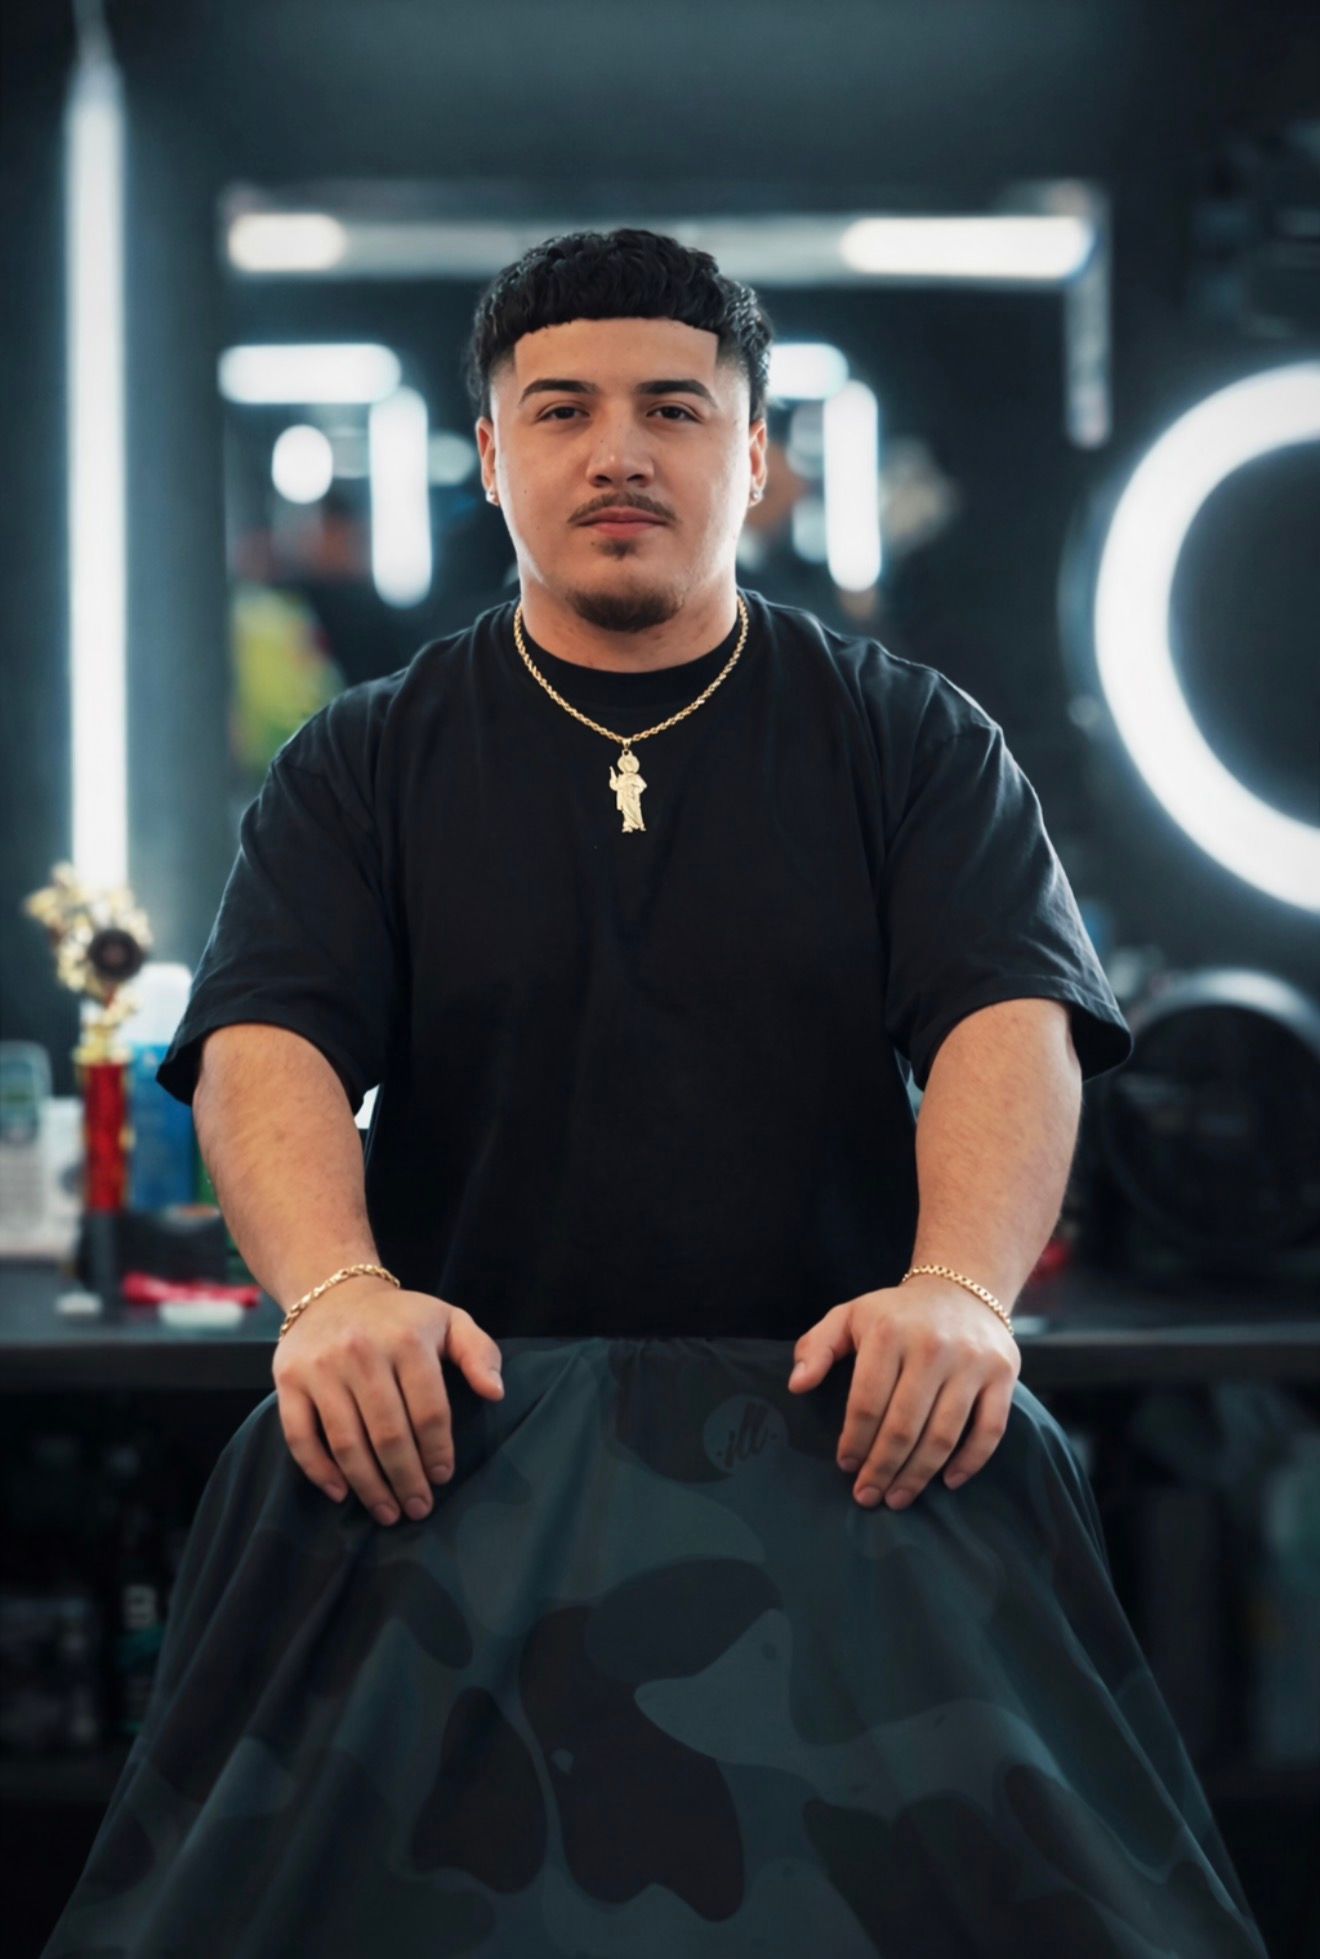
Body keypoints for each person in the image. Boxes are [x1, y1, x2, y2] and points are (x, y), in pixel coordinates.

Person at [44, 226, 1269, 1959]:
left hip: (849, 1462)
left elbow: (1012, 1013)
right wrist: (332, 1292)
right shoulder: (365, 761)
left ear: (752, 458)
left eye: (674, 409)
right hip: (454, 1463)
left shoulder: (912, 742)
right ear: (490, 458)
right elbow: (272, 1040)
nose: (618, 448)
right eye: (560, 409)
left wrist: (959, 1292)